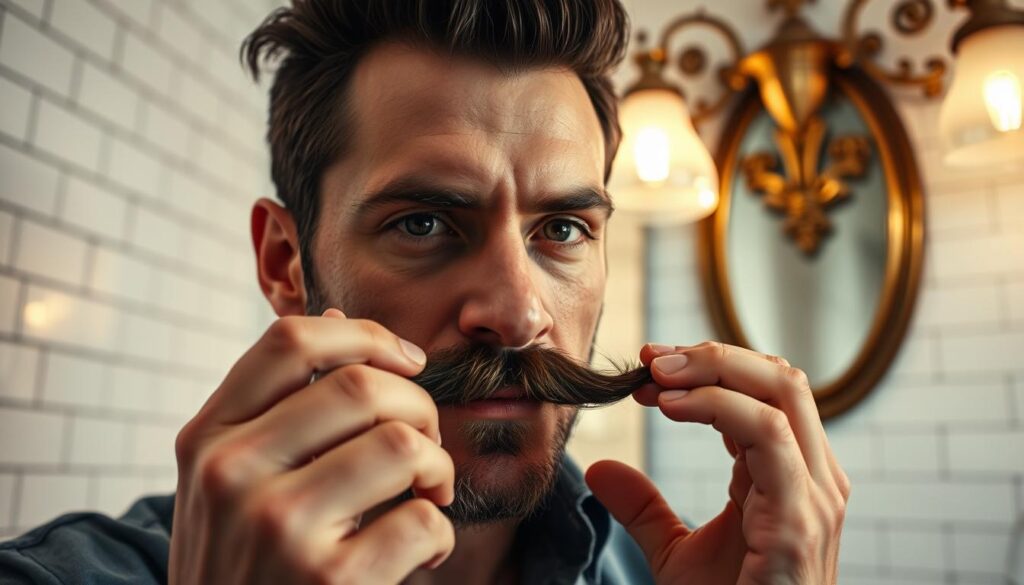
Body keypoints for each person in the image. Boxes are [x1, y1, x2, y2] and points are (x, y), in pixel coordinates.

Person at [0, 1, 850, 583]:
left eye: (561, 229)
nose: (520, 314)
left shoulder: (667, 571)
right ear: (284, 263)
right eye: (423, 224)